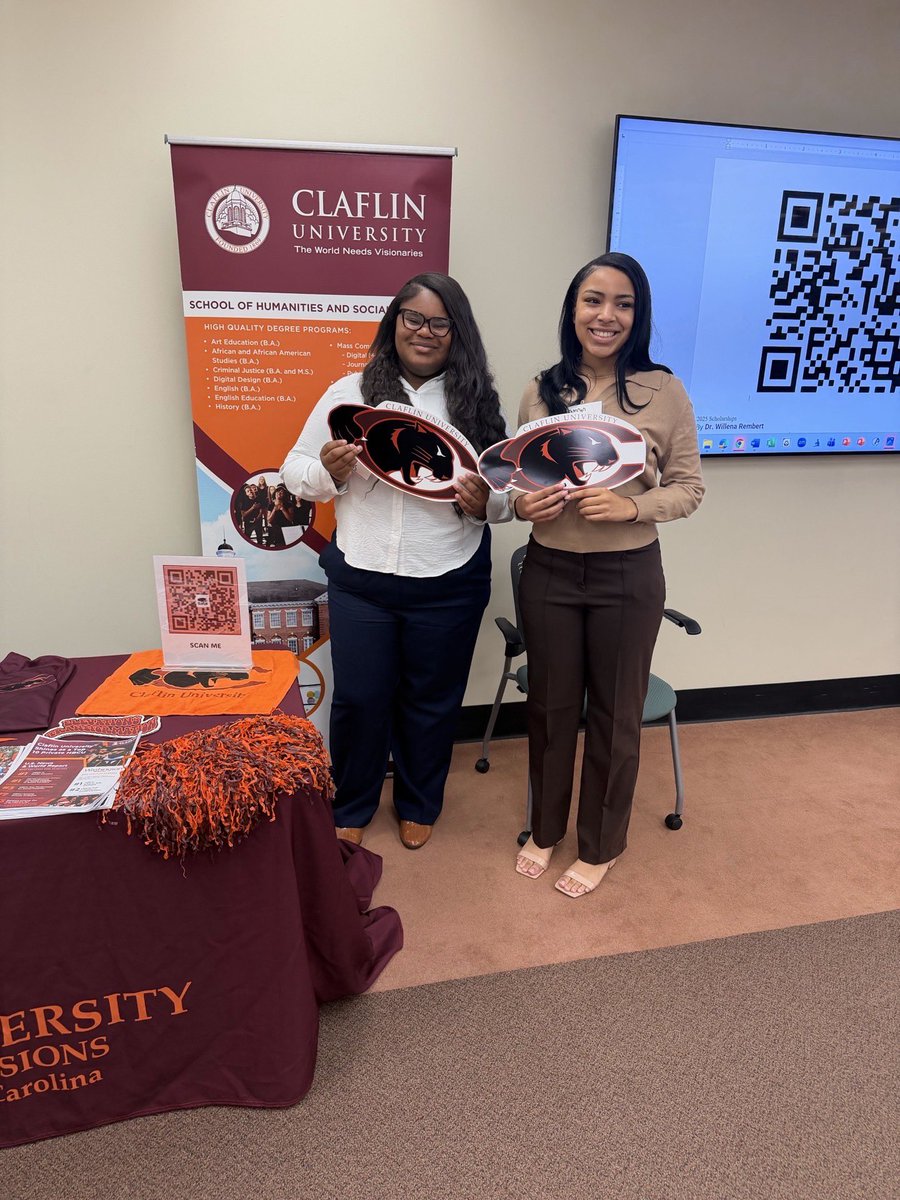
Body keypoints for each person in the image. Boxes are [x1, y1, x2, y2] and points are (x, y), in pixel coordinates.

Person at [281, 272, 509, 849]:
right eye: (413, 318)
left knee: (432, 699)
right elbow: (294, 472)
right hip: (362, 577)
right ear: (394, 323)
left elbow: (507, 493)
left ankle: (418, 802)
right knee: (359, 698)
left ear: (458, 333)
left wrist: (489, 504)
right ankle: (352, 803)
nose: (425, 332)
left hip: (450, 576)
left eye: (440, 322)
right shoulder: (348, 392)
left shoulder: (477, 403)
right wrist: (327, 472)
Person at [512, 252, 704, 897]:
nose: (606, 315)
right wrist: (522, 504)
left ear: (638, 315)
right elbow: (517, 483)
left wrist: (631, 507)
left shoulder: (665, 391)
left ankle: (600, 845)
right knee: (549, 708)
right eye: (593, 300)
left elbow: (688, 488)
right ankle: (545, 831)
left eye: (622, 303)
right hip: (549, 570)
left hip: (627, 572)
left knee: (618, 714)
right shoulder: (541, 390)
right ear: (573, 309)